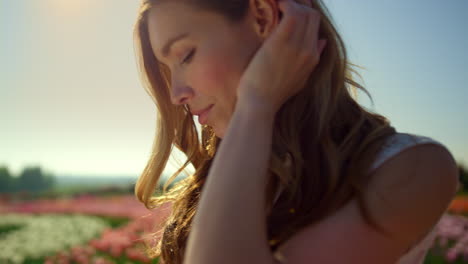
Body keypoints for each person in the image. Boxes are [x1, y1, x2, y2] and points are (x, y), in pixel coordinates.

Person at [132, 0, 460, 263]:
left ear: (263, 16)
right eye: (166, 72)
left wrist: (256, 103)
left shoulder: (414, 167)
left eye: (185, 55)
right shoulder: (218, 174)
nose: (176, 94)